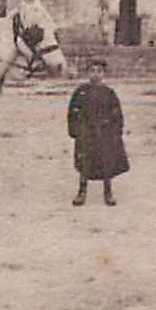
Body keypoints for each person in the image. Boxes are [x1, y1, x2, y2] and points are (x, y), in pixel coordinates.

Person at [67, 57, 128, 206]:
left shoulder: (109, 93)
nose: (96, 74)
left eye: (99, 71)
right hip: (86, 132)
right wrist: (74, 130)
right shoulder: (80, 92)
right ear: (88, 73)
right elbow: (73, 112)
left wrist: (116, 132)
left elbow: (117, 114)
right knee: (84, 162)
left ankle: (108, 192)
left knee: (106, 163)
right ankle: (82, 192)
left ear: (104, 74)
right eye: (92, 71)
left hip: (104, 133)